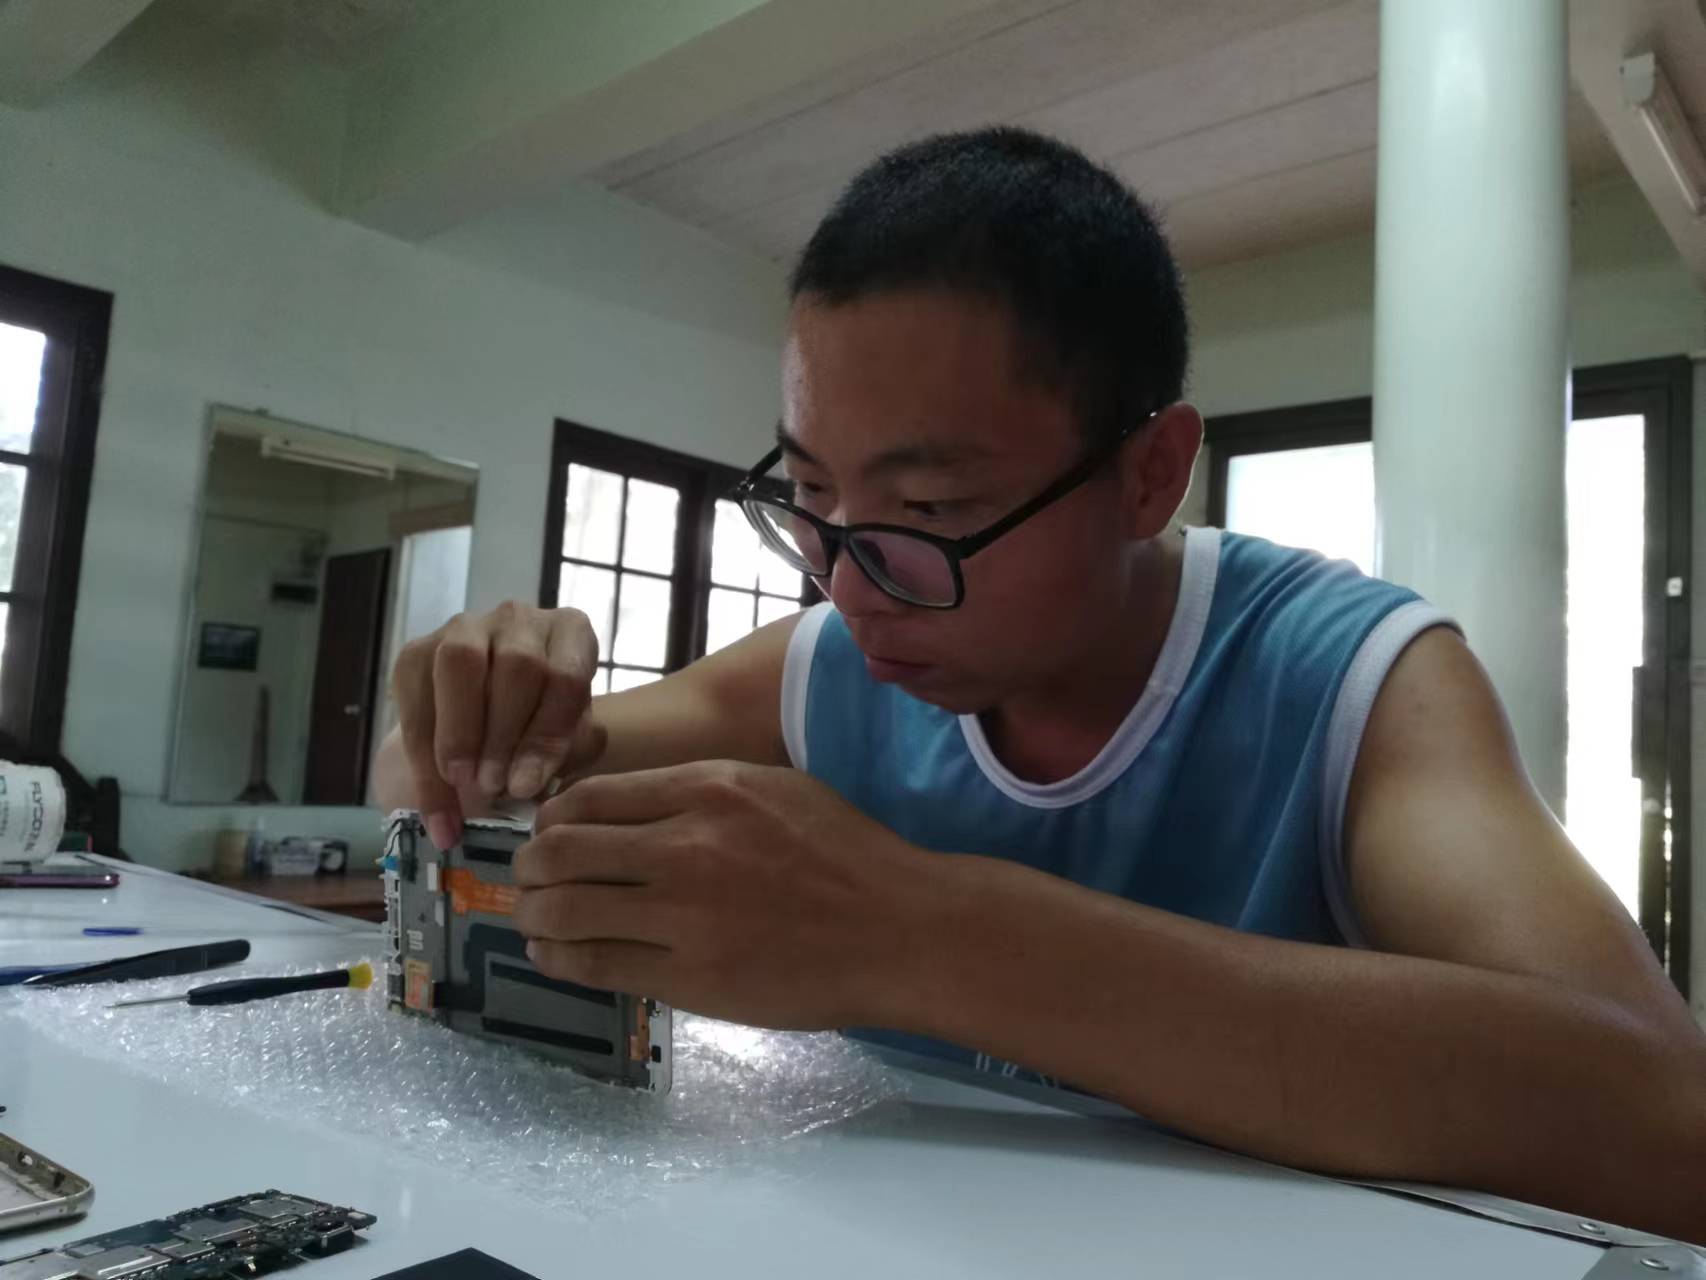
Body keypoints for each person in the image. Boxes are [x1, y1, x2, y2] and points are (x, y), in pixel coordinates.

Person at [374, 127, 1706, 1242]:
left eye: (930, 511)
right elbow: (441, 781)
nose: (851, 586)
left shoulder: (1354, 680)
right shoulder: (830, 667)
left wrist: (913, 934)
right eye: (812, 495)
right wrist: (472, 709)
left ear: (1149, 474)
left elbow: (1666, 1131)